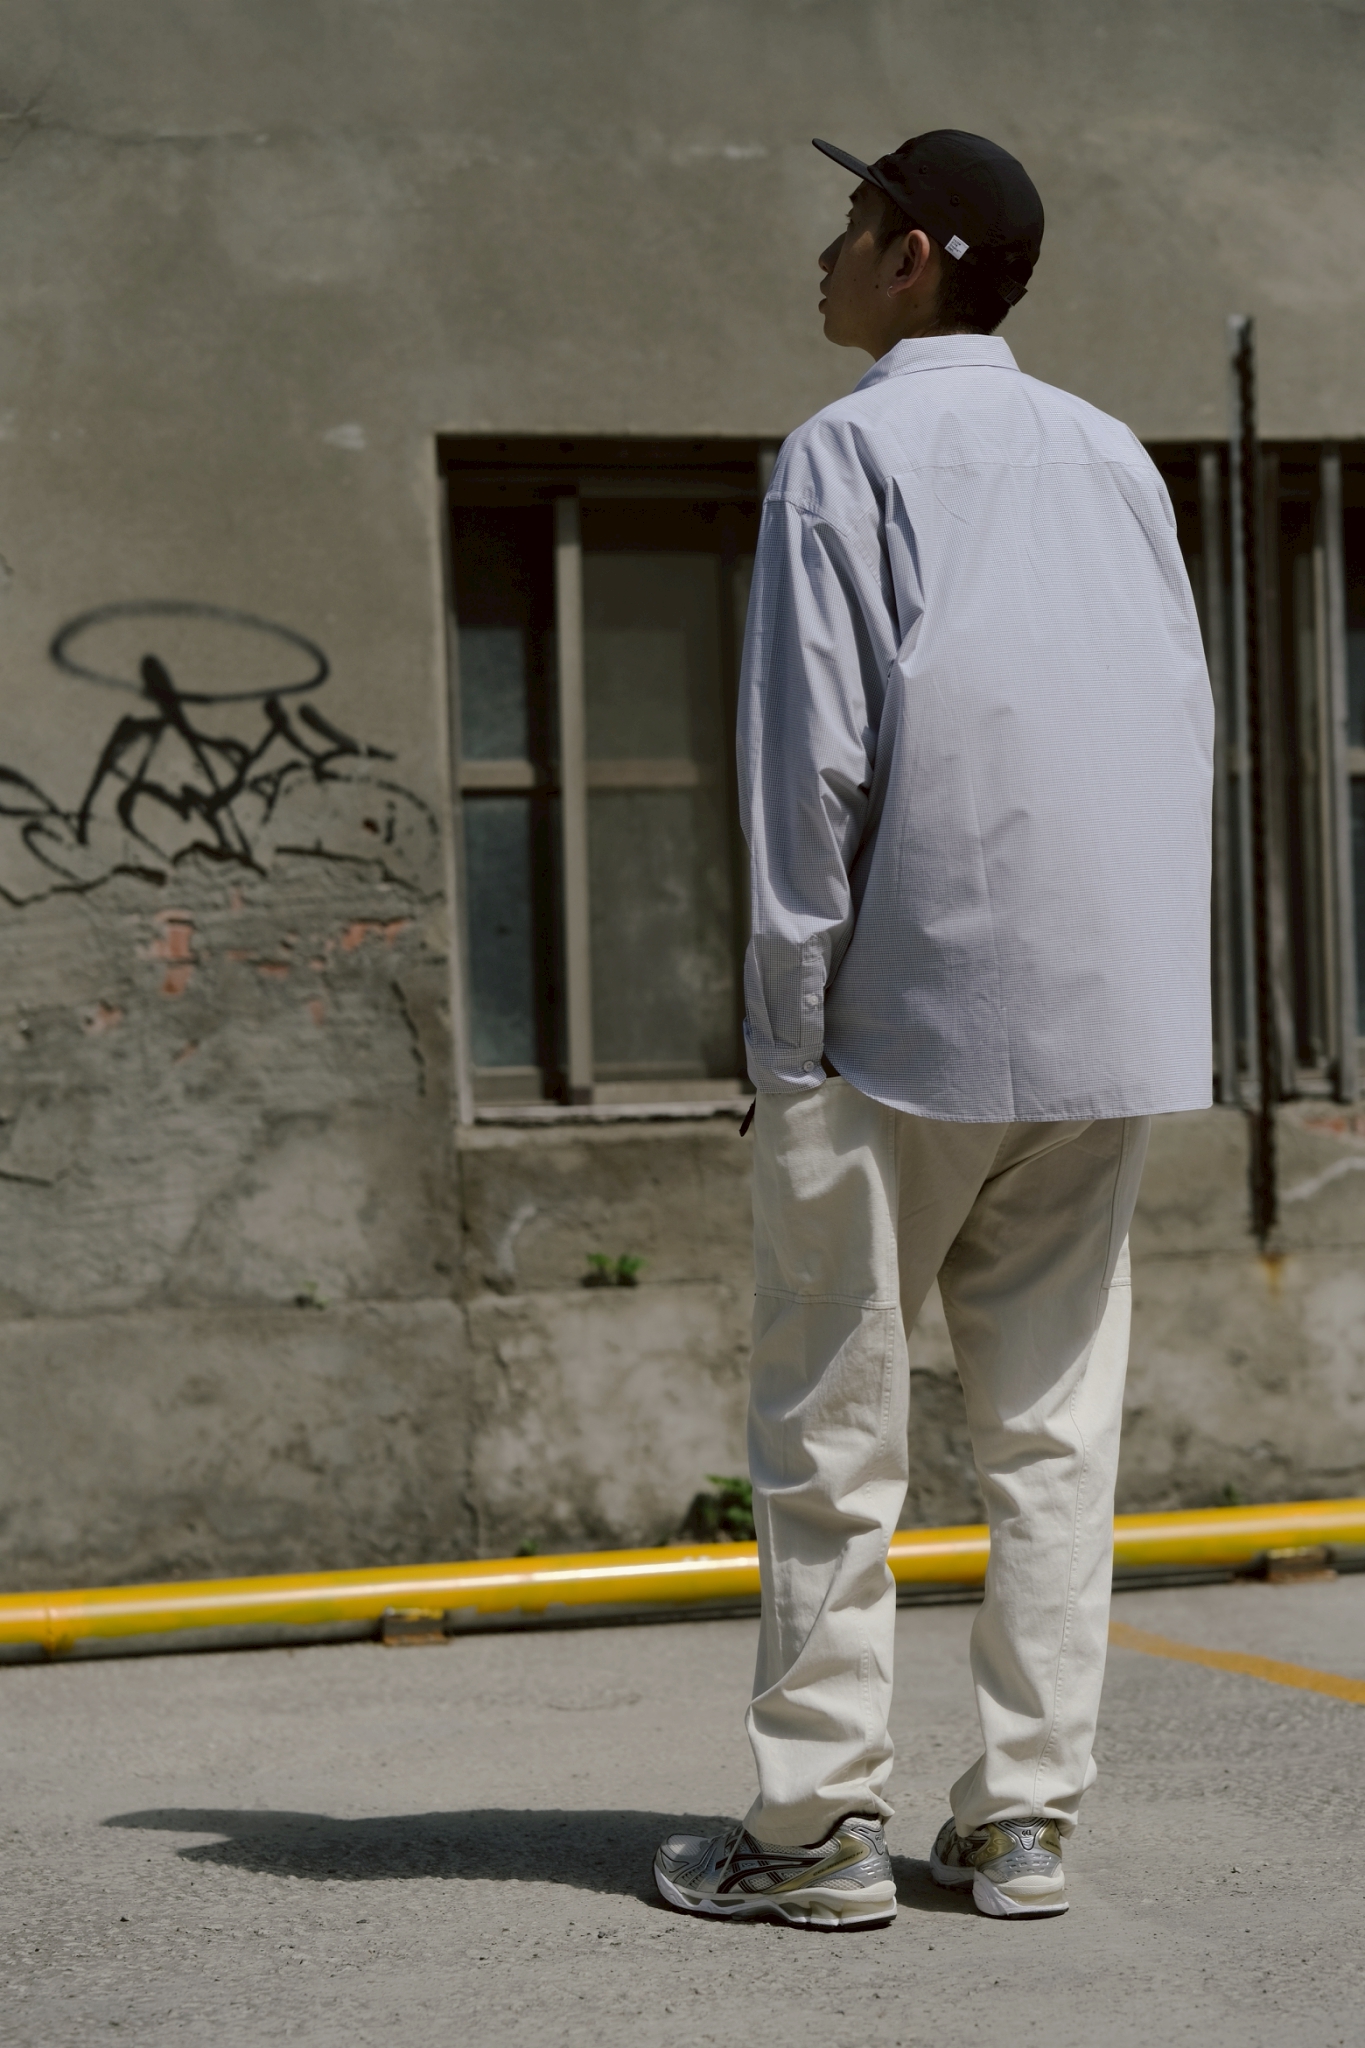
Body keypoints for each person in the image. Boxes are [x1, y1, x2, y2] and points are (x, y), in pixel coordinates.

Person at [653, 129, 1212, 1928]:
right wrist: (1154, 992)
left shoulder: (847, 452)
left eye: (851, 221)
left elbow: (806, 767)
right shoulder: (1110, 453)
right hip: (1101, 1016)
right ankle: (1023, 1818)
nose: (820, 252)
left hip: (899, 1015)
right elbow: (1175, 718)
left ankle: (815, 1830)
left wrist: (783, 1041)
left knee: (833, 1426)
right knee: (1053, 1432)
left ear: (913, 258)